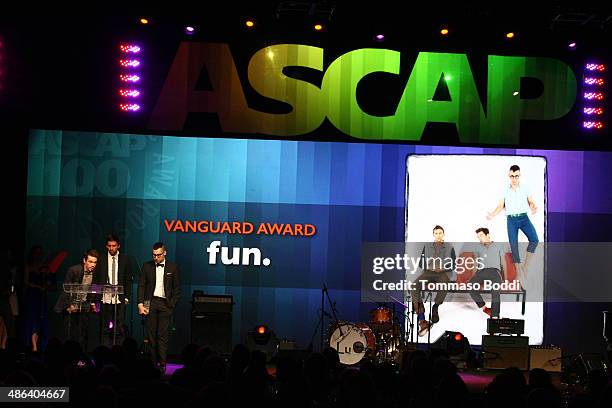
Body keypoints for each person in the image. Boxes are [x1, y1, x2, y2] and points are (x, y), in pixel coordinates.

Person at [487, 164, 539, 280]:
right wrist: (493, 214)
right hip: (511, 220)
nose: (514, 179)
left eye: (516, 176)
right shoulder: (504, 190)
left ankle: (525, 266)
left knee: (534, 240)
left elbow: (530, 201)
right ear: (509, 176)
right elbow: (500, 206)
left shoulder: (525, 188)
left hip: (524, 218)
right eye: (512, 176)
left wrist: (533, 207)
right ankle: (518, 272)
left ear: (519, 176)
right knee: (513, 245)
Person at [137, 242, 181, 372]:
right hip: (150, 302)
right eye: (154, 255)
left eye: (159, 255)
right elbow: (142, 286)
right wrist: (140, 304)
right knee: (150, 336)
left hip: (165, 304)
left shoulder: (173, 267)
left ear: (165, 253)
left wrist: (172, 304)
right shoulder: (147, 266)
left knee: (163, 336)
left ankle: (162, 364)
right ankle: (152, 364)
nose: (156, 257)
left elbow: (177, 288)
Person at [411, 225, 456, 336]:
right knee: (414, 286)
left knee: (444, 284)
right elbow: (421, 262)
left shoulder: (449, 247)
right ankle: (421, 318)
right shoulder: (427, 246)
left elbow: (453, 264)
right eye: (436, 233)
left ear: (443, 234)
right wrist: (429, 267)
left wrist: (443, 268)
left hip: (443, 272)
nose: (438, 235)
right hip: (429, 272)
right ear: (433, 235)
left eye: (440, 233)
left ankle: (435, 306)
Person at [55, 249, 100, 351]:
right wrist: (69, 305)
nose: (93, 264)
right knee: (69, 333)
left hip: (84, 305)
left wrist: (93, 303)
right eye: (90, 261)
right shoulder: (74, 270)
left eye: (95, 262)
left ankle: (82, 355)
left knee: (83, 333)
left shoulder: (96, 273)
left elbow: (96, 289)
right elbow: (66, 290)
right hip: (70, 306)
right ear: (84, 260)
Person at [96, 234, 133, 346]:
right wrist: (96, 298)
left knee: (119, 327)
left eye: (114, 245)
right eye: (109, 246)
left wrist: (126, 297)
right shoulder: (101, 259)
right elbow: (97, 279)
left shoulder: (125, 259)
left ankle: (118, 352)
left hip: (119, 298)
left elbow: (128, 279)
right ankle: (105, 351)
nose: (111, 248)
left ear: (119, 246)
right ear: (106, 246)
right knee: (105, 327)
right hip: (105, 297)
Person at [469, 227, 507, 318]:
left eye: (481, 235)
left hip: (495, 272)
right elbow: (475, 263)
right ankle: (484, 307)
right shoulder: (477, 247)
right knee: (470, 286)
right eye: (478, 237)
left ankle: (495, 316)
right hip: (481, 271)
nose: (479, 238)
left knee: (495, 291)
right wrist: (473, 276)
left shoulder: (498, 245)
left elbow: (503, 262)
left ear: (488, 235)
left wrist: (505, 278)